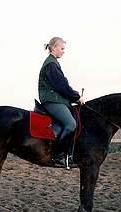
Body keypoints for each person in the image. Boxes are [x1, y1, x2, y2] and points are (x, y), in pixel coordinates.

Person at [38, 36, 85, 168]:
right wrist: (76, 97)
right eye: (62, 48)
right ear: (54, 48)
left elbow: (62, 86)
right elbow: (61, 86)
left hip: (56, 99)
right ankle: (57, 155)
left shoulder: (53, 63)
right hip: (52, 100)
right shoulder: (51, 64)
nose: (63, 51)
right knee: (71, 123)